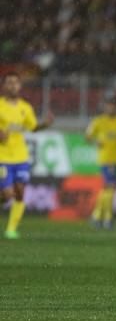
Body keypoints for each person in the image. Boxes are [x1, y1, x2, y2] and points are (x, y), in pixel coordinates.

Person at [0, 72, 54, 239]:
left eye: (15, 83)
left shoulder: (25, 107)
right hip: (2, 157)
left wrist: (45, 124)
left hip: (21, 157)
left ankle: (11, 229)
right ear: (4, 86)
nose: (13, 86)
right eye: (9, 82)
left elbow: (33, 127)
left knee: (20, 192)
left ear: (20, 86)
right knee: (7, 194)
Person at [86, 93, 116, 230]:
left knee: (108, 189)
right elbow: (88, 136)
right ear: (105, 106)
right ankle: (107, 218)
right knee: (110, 187)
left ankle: (96, 216)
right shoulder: (99, 121)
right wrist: (97, 142)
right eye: (109, 104)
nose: (111, 107)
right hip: (105, 159)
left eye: (113, 104)